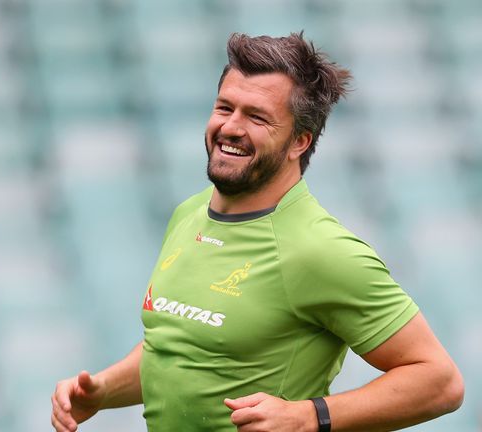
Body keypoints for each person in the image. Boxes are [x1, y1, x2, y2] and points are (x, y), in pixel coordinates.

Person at [50, 32, 464, 432]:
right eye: (224, 108)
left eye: (257, 117)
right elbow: (185, 349)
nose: (231, 127)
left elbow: (439, 382)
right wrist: (101, 391)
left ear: (299, 142)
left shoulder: (320, 250)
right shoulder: (190, 214)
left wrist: (309, 416)